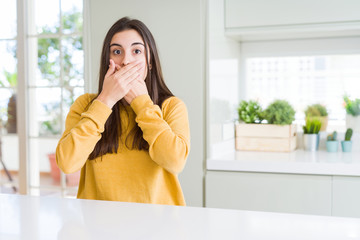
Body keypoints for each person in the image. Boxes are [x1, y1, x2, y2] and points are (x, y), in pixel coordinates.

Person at [56, 17, 190, 206]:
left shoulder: (171, 106)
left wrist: (142, 104)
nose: (126, 60)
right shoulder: (86, 104)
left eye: (136, 51)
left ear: (150, 61)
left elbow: (175, 162)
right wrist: (105, 100)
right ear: (107, 61)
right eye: (117, 51)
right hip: (98, 228)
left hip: (159, 228)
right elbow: (67, 163)